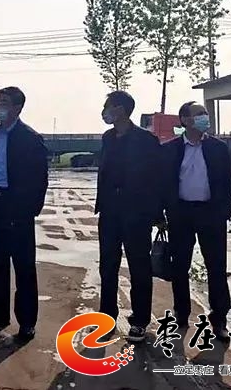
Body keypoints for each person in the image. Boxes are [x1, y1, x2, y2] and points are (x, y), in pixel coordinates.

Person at [0, 86, 48, 343]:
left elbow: (40, 179)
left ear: (18, 107)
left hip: (17, 209)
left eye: (4, 102)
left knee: (24, 267)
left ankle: (26, 322)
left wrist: (28, 210)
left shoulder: (30, 138)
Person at [95, 90, 164, 343]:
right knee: (108, 266)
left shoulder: (146, 140)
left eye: (108, 106)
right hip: (110, 212)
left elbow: (156, 179)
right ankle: (107, 316)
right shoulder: (108, 138)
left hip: (137, 214)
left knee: (139, 267)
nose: (104, 112)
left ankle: (140, 320)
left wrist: (156, 213)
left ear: (121, 109)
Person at [164, 101, 231, 339]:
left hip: (211, 214)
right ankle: (181, 314)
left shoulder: (218, 148)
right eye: (199, 114)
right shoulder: (171, 149)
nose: (205, 117)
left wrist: (223, 210)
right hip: (181, 214)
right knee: (179, 266)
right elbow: (164, 183)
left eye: (205, 113)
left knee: (216, 267)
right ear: (185, 120)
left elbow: (228, 182)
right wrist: (165, 211)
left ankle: (220, 319)